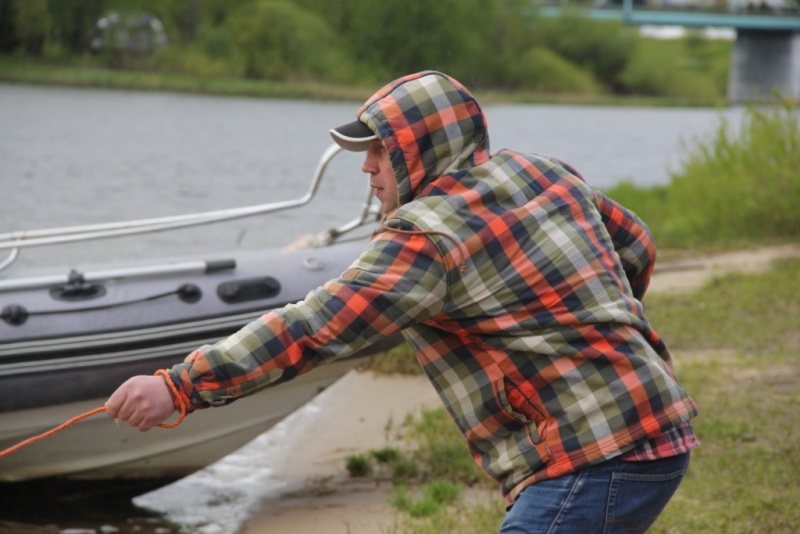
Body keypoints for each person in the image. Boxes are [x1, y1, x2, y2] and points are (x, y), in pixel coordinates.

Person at [107, 70, 699, 533]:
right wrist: (595, 324)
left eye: (379, 152)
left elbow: (315, 327)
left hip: (593, 454)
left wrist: (180, 385)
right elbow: (636, 245)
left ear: (421, 149)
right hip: (655, 424)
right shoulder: (541, 172)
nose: (365, 167)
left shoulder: (425, 237)